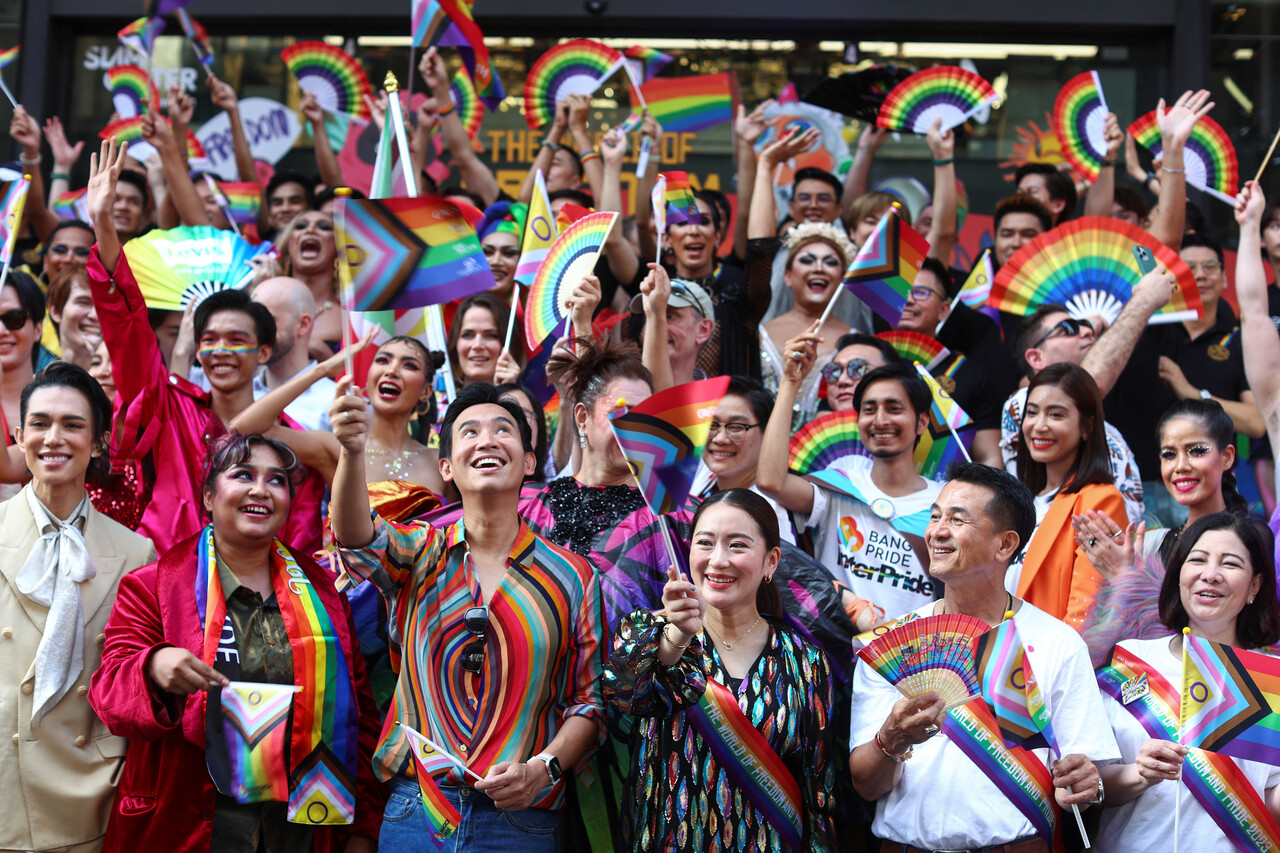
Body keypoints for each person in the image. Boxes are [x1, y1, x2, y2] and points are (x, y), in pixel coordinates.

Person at [329, 382, 606, 851]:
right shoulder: (418, 551)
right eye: (469, 432)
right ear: (447, 467)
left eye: (504, 430)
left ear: (529, 461)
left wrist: (543, 770)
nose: (487, 440)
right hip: (417, 811)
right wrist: (353, 452)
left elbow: (590, 702)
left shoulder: (573, 576)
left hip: (521, 822)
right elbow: (357, 539)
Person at [89, 434, 384, 853]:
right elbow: (109, 693)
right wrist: (154, 667)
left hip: (299, 830)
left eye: (277, 481)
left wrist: (363, 829)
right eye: (243, 475)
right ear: (209, 495)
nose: (260, 490)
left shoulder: (322, 593)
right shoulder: (153, 585)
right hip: (187, 824)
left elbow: (362, 715)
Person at [849, 462, 1118, 852]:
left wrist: (1086, 783)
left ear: (1006, 544)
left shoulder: (1058, 642)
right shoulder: (892, 645)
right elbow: (866, 785)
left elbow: (1087, 778)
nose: (937, 531)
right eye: (935, 516)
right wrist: (892, 738)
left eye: (958, 520)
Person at [85, 137, 322, 555]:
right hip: (166, 594)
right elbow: (127, 329)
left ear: (264, 351)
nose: (220, 351)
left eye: (237, 340)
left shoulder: (291, 438)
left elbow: (302, 539)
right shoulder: (169, 406)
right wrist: (104, 225)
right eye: (209, 339)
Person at [603, 488, 837, 851]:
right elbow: (623, 696)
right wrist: (677, 635)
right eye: (705, 543)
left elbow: (819, 794)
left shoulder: (805, 662)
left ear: (771, 561)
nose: (718, 560)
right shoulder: (647, 634)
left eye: (738, 545)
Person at [0, 363, 156, 853]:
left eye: (72, 425)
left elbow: (131, 677)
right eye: (41, 424)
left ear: (99, 442)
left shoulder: (136, 552)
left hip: (90, 787)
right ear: (20, 436)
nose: (54, 439)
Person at [1096, 513, 1280, 850]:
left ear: (1254, 585)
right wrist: (1140, 774)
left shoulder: (1272, 679)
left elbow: (1270, 802)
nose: (1210, 575)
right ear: (1179, 574)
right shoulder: (1128, 659)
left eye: (1231, 564)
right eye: (1197, 560)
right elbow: (1091, 784)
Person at [758, 358, 942, 619]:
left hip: (914, 653)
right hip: (837, 651)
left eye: (894, 408)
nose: (880, 420)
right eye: (869, 410)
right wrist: (790, 383)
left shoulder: (943, 503)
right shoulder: (840, 486)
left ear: (922, 422)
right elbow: (770, 481)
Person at [1001, 265, 1183, 527]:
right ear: (1036, 357)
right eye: (1067, 329)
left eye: (1086, 328)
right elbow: (1085, 386)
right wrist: (1142, 301)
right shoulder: (1020, 404)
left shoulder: (1104, 427)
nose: (1086, 333)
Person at [1106, 232, 1264, 527]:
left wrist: (1190, 392)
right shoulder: (1145, 330)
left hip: (1211, 486)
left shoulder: (1240, 340)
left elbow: (1256, 422)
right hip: (1138, 486)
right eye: (1189, 268)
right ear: (1172, 279)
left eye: (1209, 266)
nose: (1200, 276)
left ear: (1225, 278)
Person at [230, 333, 445, 501]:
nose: (391, 371)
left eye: (409, 365)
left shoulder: (442, 462)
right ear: (368, 378)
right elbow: (243, 430)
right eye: (382, 361)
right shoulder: (336, 448)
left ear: (426, 391)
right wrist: (323, 369)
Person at [1010, 363, 1125, 630]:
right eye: (1032, 412)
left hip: (1046, 661)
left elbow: (1087, 608)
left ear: (1087, 427)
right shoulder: (1016, 502)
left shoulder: (1099, 500)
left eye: (1056, 415)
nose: (1039, 426)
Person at [250, 277, 336, 432]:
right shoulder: (241, 395)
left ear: (303, 325)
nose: (255, 331)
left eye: (267, 320)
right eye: (253, 321)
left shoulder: (335, 401)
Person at [272, 210, 343, 357]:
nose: (310, 230)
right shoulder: (263, 303)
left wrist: (328, 361)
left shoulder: (354, 311)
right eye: (301, 226)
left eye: (324, 227)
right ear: (288, 245)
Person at [634, 266, 714, 390]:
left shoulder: (716, 404)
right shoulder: (624, 396)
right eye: (649, 316)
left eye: (670, 316)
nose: (657, 325)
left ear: (703, 330)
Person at [448, 292, 521, 388]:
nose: (477, 345)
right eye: (467, 335)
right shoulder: (433, 401)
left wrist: (508, 391)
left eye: (491, 335)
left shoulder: (525, 402)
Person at [45, 267, 101, 369]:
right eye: (83, 302)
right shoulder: (38, 382)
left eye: (103, 306)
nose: (95, 315)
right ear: (56, 311)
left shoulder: (131, 382)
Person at [476, 202, 526, 301]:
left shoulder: (541, 315)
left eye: (509, 253)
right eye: (487, 252)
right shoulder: (459, 314)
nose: (495, 261)